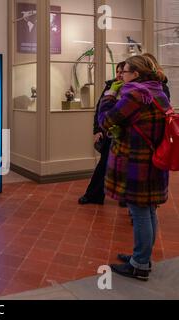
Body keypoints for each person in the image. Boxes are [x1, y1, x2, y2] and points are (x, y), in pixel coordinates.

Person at [99, 55, 170, 281]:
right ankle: (141, 256)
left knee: (140, 213)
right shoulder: (157, 91)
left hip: (135, 163)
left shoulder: (135, 95)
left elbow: (107, 120)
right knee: (148, 210)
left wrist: (109, 96)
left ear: (136, 74)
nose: (121, 75)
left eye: (125, 72)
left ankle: (139, 264)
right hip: (154, 162)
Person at [78, 61, 126, 206]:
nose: (119, 75)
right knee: (104, 165)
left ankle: (125, 198)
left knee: (126, 167)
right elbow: (99, 109)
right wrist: (97, 130)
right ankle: (94, 195)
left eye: (122, 72)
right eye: (117, 71)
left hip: (125, 135)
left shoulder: (133, 90)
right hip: (109, 134)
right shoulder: (110, 86)